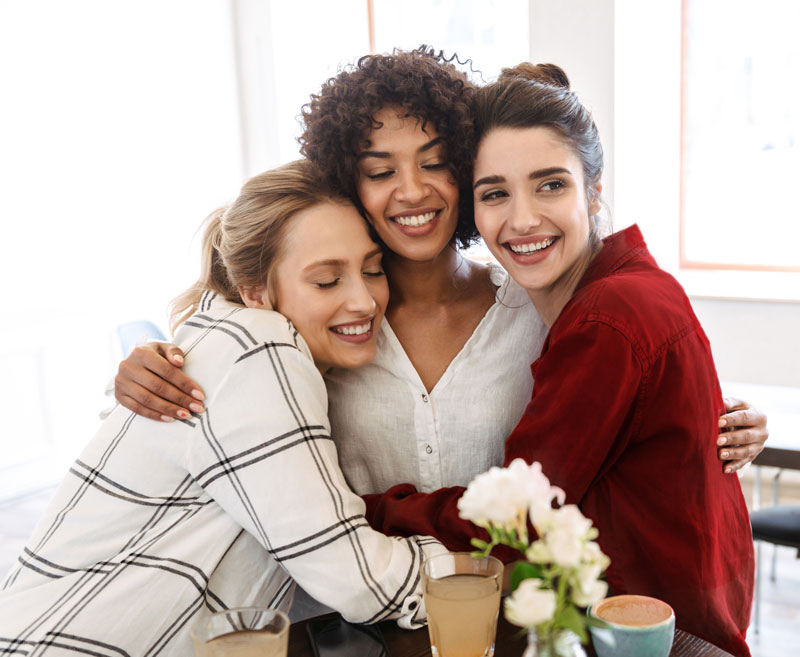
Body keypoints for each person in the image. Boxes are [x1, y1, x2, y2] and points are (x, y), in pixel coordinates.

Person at [113, 48, 767, 493]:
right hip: (353, 625)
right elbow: (223, 349)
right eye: (379, 170)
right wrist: (147, 362)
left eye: (433, 162)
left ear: (465, 170)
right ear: (348, 181)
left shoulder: (533, 310)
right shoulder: (321, 314)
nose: (412, 191)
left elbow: (631, 394)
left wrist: (726, 416)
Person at [363, 63, 755, 656]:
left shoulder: (607, 318)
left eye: (551, 185)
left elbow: (519, 516)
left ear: (594, 191)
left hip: (655, 636)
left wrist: (363, 508)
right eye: (495, 193)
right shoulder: (626, 290)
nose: (522, 219)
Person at [0, 160, 446, 655]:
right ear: (255, 292)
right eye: (326, 281)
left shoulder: (225, 337)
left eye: (372, 270)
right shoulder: (261, 347)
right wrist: (486, 572)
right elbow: (358, 578)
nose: (363, 301)